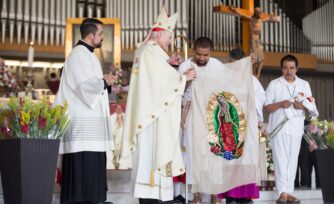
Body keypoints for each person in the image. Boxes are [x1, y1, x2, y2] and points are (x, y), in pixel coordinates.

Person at [120, 6, 196, 204]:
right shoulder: (151, 51)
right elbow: (163, 82)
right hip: (152, 119)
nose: (169, 41)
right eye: (169, 37)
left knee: (150, 157)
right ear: (160, 34)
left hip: (149, 114)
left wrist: (168, 62)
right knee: (152, 157)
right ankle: (152, 197)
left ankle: (153, 196)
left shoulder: (148, 51)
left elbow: (157, 78)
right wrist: (183, 77)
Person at [54, 18, 116, 204]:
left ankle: (93, 199)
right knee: (83, 167)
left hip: (90, 125)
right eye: (100, 34)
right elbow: (84, 88)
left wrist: (107, 84)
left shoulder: (88, 55)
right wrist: (104, 81)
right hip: (82, 126)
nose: (102, 38)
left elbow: (92, 87)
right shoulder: (78, 55)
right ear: (91, 36)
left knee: (91, 165)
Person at [264, 54, 319, 203]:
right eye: (285, 68)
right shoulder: (274, 84)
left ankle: (288, 192)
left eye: (292, 68)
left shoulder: (304, 84)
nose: (288, 71)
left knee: (292, 160)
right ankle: (282, 193)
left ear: (297, 69)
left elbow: (310, 106)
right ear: (282, 69)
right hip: (279, 128)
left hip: (295, 128)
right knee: (280, 160)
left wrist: (302, 106)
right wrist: (281, 104)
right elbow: (267, 106)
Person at [178, 37, 225, 204]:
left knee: (214, 153)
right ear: (193, 51)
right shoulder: (185, 66)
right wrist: (188, 79)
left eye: (206, 55)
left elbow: (225, 90)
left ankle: (214, 194)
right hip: (192, 112)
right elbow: (179, 92)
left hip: (212, 113)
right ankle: (196, 195)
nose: (202, 58)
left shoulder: (218, 66)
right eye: (199, 54)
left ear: (210, 52)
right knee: (194, 153)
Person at [217, 48, 265, 204]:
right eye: (232, 63)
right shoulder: (222, 79)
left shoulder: (252, 80)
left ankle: (245, 196)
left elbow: (260, 98)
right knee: (230, 159)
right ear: (228, 62)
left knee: (246, 159)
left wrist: (257, 118)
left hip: (247, 125)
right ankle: (230, 195)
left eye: (238, 63)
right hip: (229, 125)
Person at [230, 6, 280, 78]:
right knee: (254, 59)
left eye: (260, 13)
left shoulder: (261, 20)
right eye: (259, 13)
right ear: (256, 14)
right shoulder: (252, 19)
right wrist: (234, 10)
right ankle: (253, 73)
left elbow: (269, 18)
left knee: (262, 59)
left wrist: (272, 14)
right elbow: (241, 14)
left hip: (258, 41)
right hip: (253, 41)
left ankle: (258, 73)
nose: (260, 15)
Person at [107, 104, 125, 169]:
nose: (119, 110)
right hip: (114, 134)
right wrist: (117, 122)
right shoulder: (112, 117)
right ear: (115, 109)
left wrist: (122, 122)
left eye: (120, 108)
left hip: (122, 134)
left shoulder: (125, 116)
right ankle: (115, 158)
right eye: (118, 108)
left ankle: (118, 159)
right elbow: (110, 129)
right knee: (120, 131)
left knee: (121, 130)